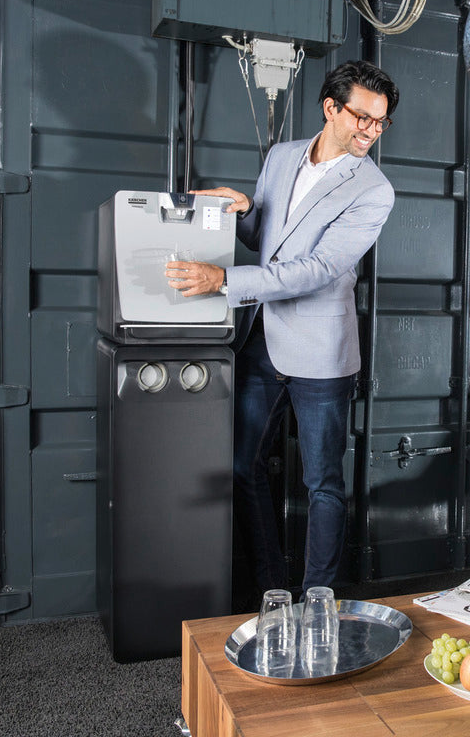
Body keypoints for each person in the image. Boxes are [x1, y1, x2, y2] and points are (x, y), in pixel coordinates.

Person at [164, 60, 399, 594]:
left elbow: (318, 269)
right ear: (331, 108)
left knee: (323, 485)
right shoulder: (282, 156)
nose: (372, 130)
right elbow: (264, 240)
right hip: (263, 340)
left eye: (380, 121)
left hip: (322, 352)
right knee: (240, 466)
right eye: (363, 117)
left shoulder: (373, 190)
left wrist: (223, 280)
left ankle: (318, 599)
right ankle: (273, 589)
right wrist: (245, 210)